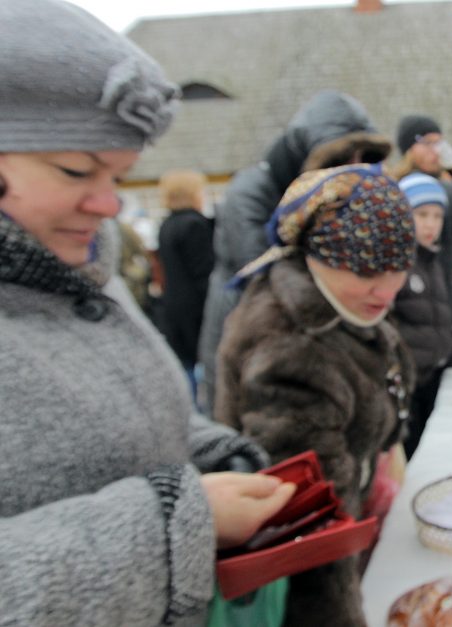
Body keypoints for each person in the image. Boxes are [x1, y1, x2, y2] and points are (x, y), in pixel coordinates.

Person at [0, 1, 296, 625]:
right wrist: (177, 521)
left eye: (121, 175)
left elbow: (139, 419)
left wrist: (217, 454)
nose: (109, 204)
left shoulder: (80, 266)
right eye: (76, 169)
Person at [214, 163, 417, 627]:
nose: (386, 288)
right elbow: (312, 535)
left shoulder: (344, 304)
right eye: (367, 269)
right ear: (316, 255)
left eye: (399, 268)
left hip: (359, 518)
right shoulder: (290, 350)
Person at [200, 90, 392, 413]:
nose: (353, 169)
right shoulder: (249, 193)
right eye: (342, 158)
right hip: (247, 332)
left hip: (308, 340)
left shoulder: (333, 198)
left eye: (364, 158)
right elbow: (262, 271)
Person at [394, 114, 452, 364]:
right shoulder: (398, 187)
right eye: (427, 142)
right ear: (409, 148)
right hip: (413, 288)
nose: (436, 150)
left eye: (440, 142)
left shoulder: (450, 185)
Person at [392, 172, 452, 460]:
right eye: (421, 214)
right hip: (408, 382)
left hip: (433, 374)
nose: (431, 224)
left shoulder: (432, 259)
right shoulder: (397, 264)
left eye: (437, 216)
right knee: (413, 451)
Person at [157, 169, 214, 400]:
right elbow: (203, 273)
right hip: (196, 308)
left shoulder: (166, 225)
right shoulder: (194, 225)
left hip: (173, 304)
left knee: (186, 364)